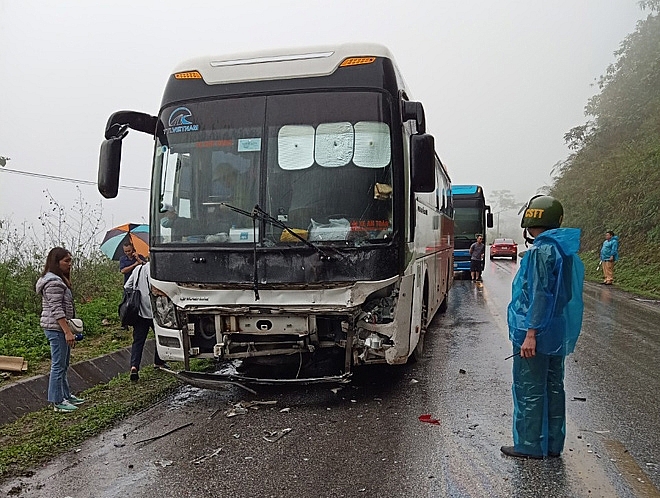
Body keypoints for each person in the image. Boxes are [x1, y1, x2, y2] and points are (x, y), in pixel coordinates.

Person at [501, 195, 584, 459]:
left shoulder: (540, 251)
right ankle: (552, 444)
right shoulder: (563, 250)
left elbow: (537, 295)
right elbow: (565, 295)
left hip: (535, 331)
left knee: (530, 388)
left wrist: (531, 333)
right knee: (553, 385)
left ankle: (529, 444)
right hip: (556, 330)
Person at [35, 247, 86, 412]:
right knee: (58, 365)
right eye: (66, 261)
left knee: (63, 364)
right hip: (56, 328)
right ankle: (57, 401)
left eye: (70, 260)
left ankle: (66, 395)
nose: (70, 264)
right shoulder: (53, 282)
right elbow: (57, 310)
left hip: (59, 328)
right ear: (56, 262)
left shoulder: (59, 279)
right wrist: (67, 331)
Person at [124, 261, 168, 381]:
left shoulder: (137, 269)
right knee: (159, 337)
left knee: (138, 341)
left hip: (139, 312)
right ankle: (159, 362)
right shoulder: (156, 268)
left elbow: (127, 286)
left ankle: (134, 366)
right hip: (154, 312)